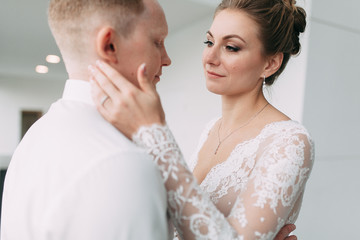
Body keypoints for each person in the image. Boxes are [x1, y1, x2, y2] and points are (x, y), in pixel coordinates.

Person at [89, 0, 314, 239]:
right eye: (209, 42)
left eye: (232, 47)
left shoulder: (289, 142)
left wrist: (154, 134)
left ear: (270, 63)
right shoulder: (211, 129)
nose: (210, 57)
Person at [1, 0, 173, 239]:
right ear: (109, 45)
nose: (166, 59)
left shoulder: (33, 138)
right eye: (157, 42)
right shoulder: (122, 162)